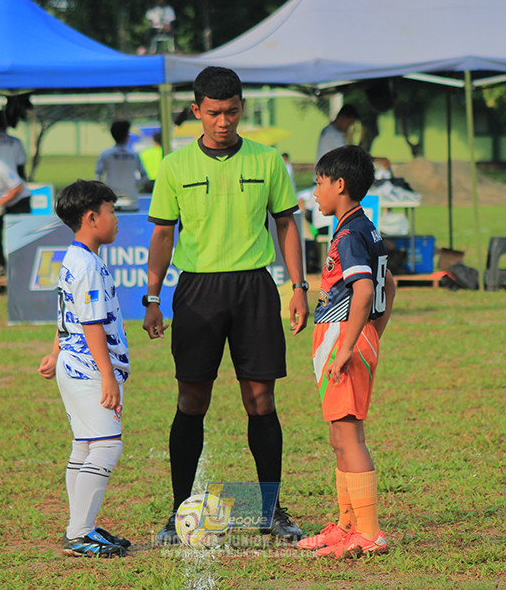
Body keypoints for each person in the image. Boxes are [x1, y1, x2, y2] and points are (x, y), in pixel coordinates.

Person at [142, 66, 308, 544]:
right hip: (197, 292)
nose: (223, 121)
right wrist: (152, 298)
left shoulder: (268, 160)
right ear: (196, 111)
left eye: (232, 112)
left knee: (261, 399)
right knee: (192, 399)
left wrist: (298, 286)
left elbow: (286, 224)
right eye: (213, 113)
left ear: (242, 109)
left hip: (255, 288)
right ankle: (177, 512)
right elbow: (161, 234)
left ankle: (270, 509)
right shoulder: (174, 166)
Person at [295, 145, 396, 559]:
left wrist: (352, 343)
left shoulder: (351, 233)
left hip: (344, 339)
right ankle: (348, 523)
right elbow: (391, 287)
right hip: (347, 336)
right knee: (340, 433)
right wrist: (374, 332)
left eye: (318, 184)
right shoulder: (363, 227)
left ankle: (369, 532)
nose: (314, 192)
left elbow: (367, 289)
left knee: (349, 434)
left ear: (340, 185)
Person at [37, 180, 131, 558]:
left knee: (86, 445)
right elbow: (90, 323)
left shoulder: (76, 258)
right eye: (111, 211)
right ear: (92, 218)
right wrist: (108, 376)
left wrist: (55, 348)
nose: (116, 218)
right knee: (107, 446)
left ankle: (81, 527)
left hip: (72, 363)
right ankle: (79, 532)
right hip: (87, 370)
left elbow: (67, 313)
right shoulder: (87, 264)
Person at [95, 120, 148, 210]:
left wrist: (104, 191)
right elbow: (145, 177)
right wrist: (135, 185)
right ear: (127, 135)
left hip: (111, 200)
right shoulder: (134, 155)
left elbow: (98, 176)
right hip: (131, 199)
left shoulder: (105, 155)